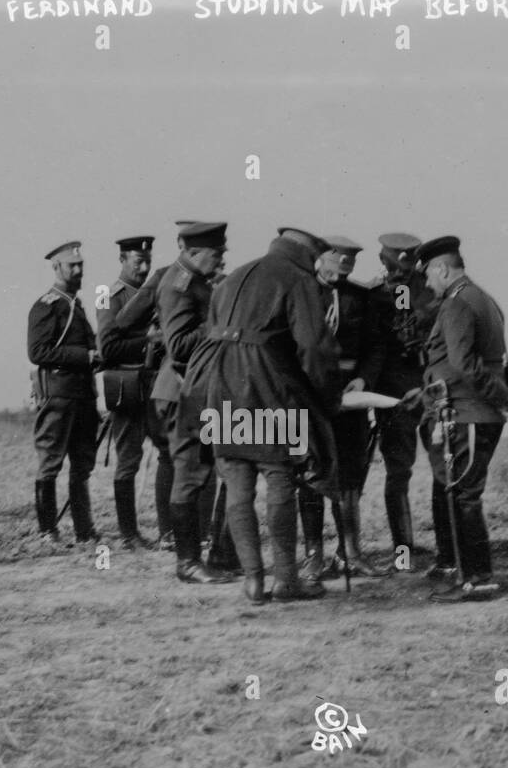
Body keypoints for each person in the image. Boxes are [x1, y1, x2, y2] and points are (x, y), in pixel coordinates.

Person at [181, 227, 341, 604]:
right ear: (306, 252)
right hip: (271, 386)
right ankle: (287, 580)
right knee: (281, 476)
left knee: (237, 482)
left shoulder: (234, 275)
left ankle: (253, 581)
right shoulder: (298, 279)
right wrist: (328, 396)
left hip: (221, 386)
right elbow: (315, 348)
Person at [414, 235, 508, 602]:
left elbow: (464, 364)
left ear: (442, 268)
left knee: (464, 495)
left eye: (428, 274)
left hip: (467, 412)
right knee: (460, 492)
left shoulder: (456, 304)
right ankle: (468, 574)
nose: (426, 283)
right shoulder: (483, 298)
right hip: (471, 409)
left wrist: (500, 398)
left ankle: (478, 579)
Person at [300, 236, 387, 583]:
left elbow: (376, 347)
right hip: (308, 400)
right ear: (321, 259)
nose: (339, 276)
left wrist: (364, 380)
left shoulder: (359, 298)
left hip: (350, 399)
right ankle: (313, 556)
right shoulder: (300, 293)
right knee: (308, 476)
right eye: (336, 267)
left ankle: (350, 552)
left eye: (346, 269)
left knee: (350, 476)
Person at [153, 221, 235, 583]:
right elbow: (181, 347)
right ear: (192, 252)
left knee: (207, 471)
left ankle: (215, 555)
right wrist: (226, 327)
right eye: (215, 254)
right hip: (183, 392)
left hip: (198, 391)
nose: (219, 260)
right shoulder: (178, 285)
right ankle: (187, 562)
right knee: (189, 475)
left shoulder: (196, 282)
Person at [369, 232, 440, 568]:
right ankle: (403, 551)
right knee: (398, 472)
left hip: (430, 392)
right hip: (394, 398)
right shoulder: (374, 294)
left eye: (403, 267)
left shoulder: (431, 291)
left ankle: (449, 548)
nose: (396, 273)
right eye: (391, 266)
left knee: (444, 467)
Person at [28, 240, 101, 547]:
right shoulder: (47, 305)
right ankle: (48, 530)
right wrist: (84, 357)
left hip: (84, 396)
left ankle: (84, 530)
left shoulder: (76, 305)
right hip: (58, 396)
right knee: (51, 463)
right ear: (56, 267)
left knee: (82, 464)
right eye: (72, 265)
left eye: (81, 264)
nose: (78, 269)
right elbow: (38, 351)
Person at [98, 234, 161, 550]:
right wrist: (149, 341)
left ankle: (170, 532)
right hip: (127, 388)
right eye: (139, 261)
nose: (145, 267)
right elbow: (107, 348)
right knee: (128, 462)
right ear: (122, 260)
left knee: (169, 454)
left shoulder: (155, 293)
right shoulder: (108, 296)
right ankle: (128, 534)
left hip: (156, 387)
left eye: (148, 260)